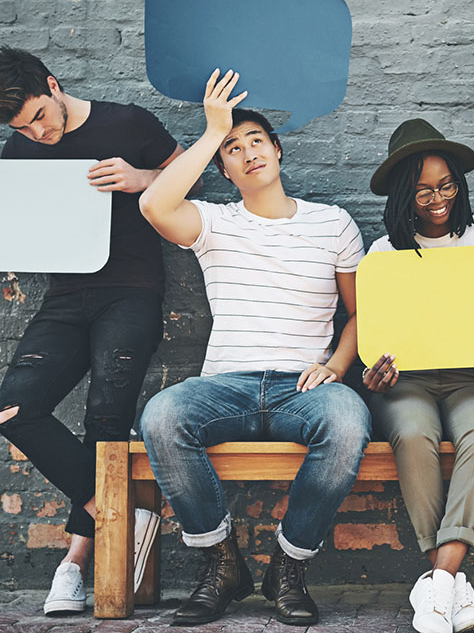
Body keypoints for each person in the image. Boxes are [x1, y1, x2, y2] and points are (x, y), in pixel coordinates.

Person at [0, 47, 183, 616]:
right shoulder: (18, 148)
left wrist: (142, 177)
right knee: (14, 411)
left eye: (38, 117)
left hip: (132, 291)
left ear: (53, 85)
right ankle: (120, 511)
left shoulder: (127, 123)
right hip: (66, 297)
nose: (36, 132)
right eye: (22, 127)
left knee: (105, 419)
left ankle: (76, 563)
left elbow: (193, 174)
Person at [136, 70, 370, 627]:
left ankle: (288, 568)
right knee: (163, 416)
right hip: (226, 386)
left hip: (303, 386)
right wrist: (212, 129)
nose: (246, 153)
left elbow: (363, 312)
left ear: (278, 149)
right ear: (222, 168)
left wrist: (337, 365)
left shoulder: (333, 223)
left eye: (255, 141)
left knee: (348, 423)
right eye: (232, 149)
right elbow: (154, 204)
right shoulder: (213, 222)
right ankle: (223, 566)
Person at [361, 118, 474, 633]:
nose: (436, 198)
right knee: (411, 430)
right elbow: (375, 338)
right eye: (423, 189)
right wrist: (375, 374)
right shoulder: (385, 254)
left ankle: (439, 583)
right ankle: (453, 584)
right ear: (405, 194)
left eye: (446, 185)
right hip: (409, 381)